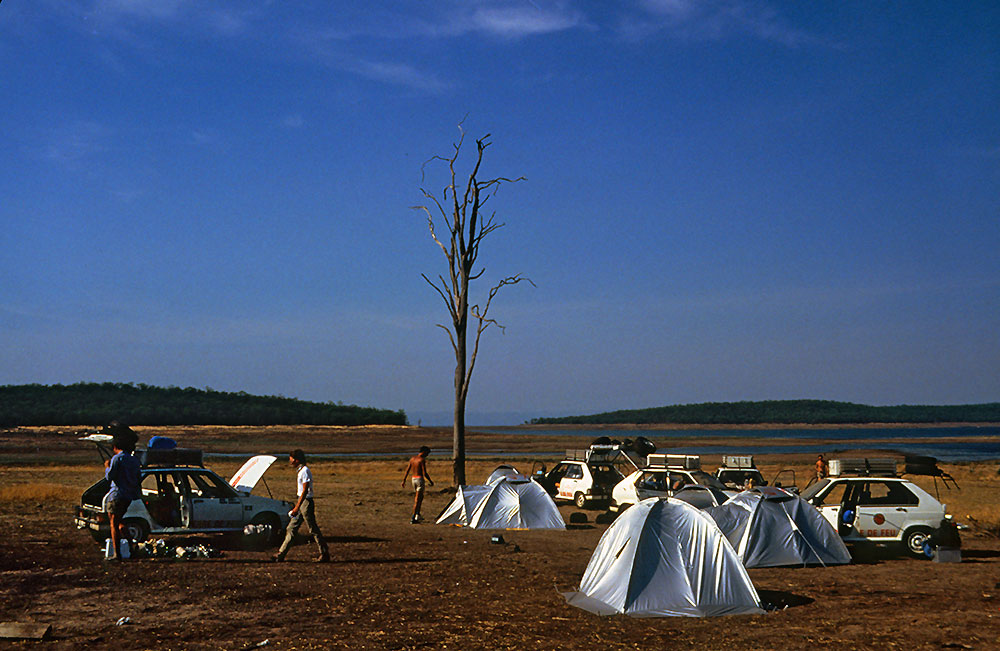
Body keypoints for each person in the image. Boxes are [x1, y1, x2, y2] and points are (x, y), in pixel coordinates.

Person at [273, 450, 330, 563]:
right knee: (291, 528)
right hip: (302, 502)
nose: (290, 462)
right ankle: (281, 554)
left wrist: (296, 507)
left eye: (291, 460)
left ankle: (324, 553)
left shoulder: (305, 471)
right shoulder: (301, 471)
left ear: (297, 460)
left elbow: (305, 490)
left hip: (305, 503)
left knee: (312, 529)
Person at [103, 424, 141, 561]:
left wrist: (107, 467)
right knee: (119, 521)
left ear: (115, 447)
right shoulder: (134, 460)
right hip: (128, 495)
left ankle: (117, 554)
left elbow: (110, 476)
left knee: (113, 523)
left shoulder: (117, 459)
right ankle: (131, 545)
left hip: (117, 494)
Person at [401, 446, 433, 524]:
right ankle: (413, 517)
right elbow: (424, 473)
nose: (427, 455)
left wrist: (404, 480)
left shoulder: (412, 459)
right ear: (424, 452)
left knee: (420, 497)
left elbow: (407, 470)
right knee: (417, 499)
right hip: (419, 479)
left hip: (413, 479)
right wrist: (430, 481)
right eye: (427, 453)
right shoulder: (421, 460)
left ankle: (417, 514)